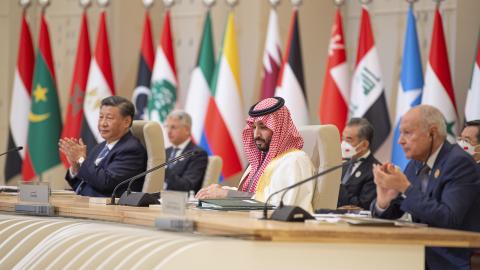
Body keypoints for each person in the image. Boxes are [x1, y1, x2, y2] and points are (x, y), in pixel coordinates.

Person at [371, 105, 480, 270]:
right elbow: (398, 209)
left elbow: (448, 218)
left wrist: (406, 188)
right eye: (400, 133)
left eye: (407, 133)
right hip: (416, 255)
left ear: (432, 133)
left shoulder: (459, 163)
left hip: (449, 261)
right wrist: (383, 201)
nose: (400, 140)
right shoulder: (416, 163)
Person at [196, 97, 316, 212]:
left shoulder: (294, 160)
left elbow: (277, 205)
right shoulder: (261, 162)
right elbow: (253, 194)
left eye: (263, 127)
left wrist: (227, 194)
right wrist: (219, 191)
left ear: (280, 128)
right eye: (253, 127)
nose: (256, 134)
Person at [59, 96, 147, 197]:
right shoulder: (99, 148)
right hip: (86, 205)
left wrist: (81, 158)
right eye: (101, 117)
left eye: (109, 118)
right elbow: (83, 185)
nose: (103, 123)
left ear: (126, 122)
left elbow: (106, 183)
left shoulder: (131, 150)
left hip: (112, 209)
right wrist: (75, 166)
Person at [337, 118, 380, 210]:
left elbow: (362, 205)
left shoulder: (375, 170)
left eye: (348, 140)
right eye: (343, 139)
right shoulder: (342, 165)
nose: (343, 144)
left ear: (364, 145)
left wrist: (338, 184)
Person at [164, 110, 208, 194]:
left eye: (173, 127)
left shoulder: (197, 153)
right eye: (167, 127)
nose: (168, 131)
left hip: (179, 202)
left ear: (187, 129)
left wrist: (164, 171)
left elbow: (189, 186)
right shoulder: (165, 152)